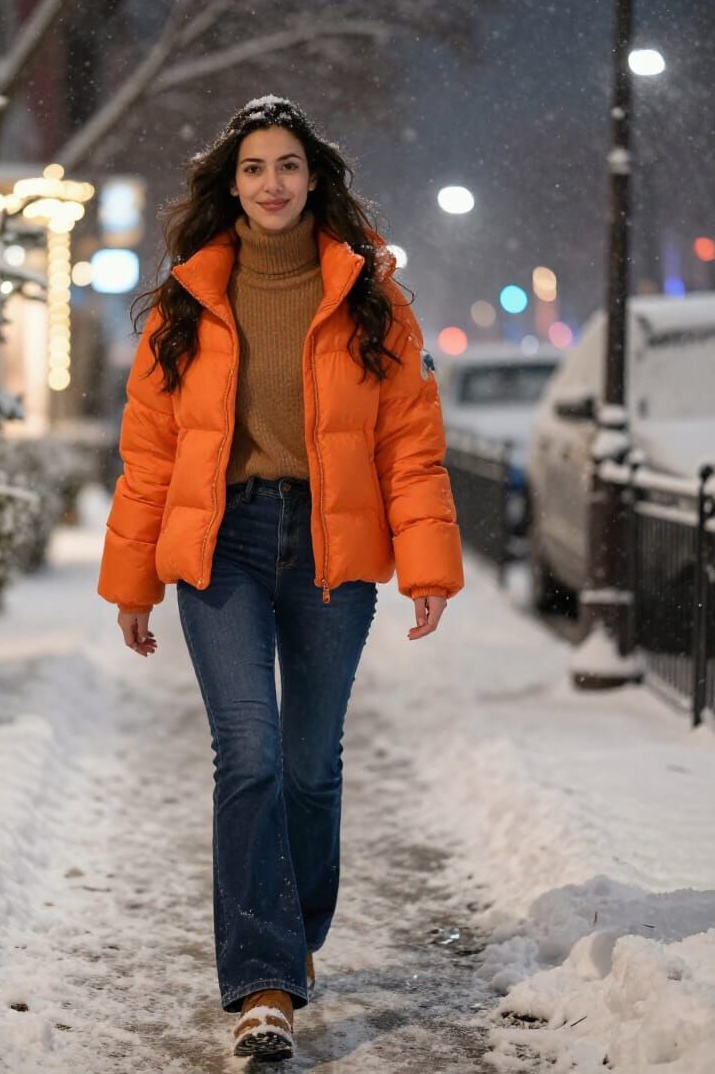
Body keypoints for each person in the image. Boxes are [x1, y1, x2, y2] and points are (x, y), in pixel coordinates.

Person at [97, 95, 464, 1061]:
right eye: (254, 167)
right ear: (232, 182)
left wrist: (426, 564)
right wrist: (133, 580)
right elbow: (148, 457)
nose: (272, 183)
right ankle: (264, 983)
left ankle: (289, 936)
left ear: (314, 179)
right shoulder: (187, 300)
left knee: (309, 765)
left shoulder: (371, 298)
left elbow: (411, 450)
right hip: (223, 546)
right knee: (248, 756)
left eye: (288, 166)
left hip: (331, 550)